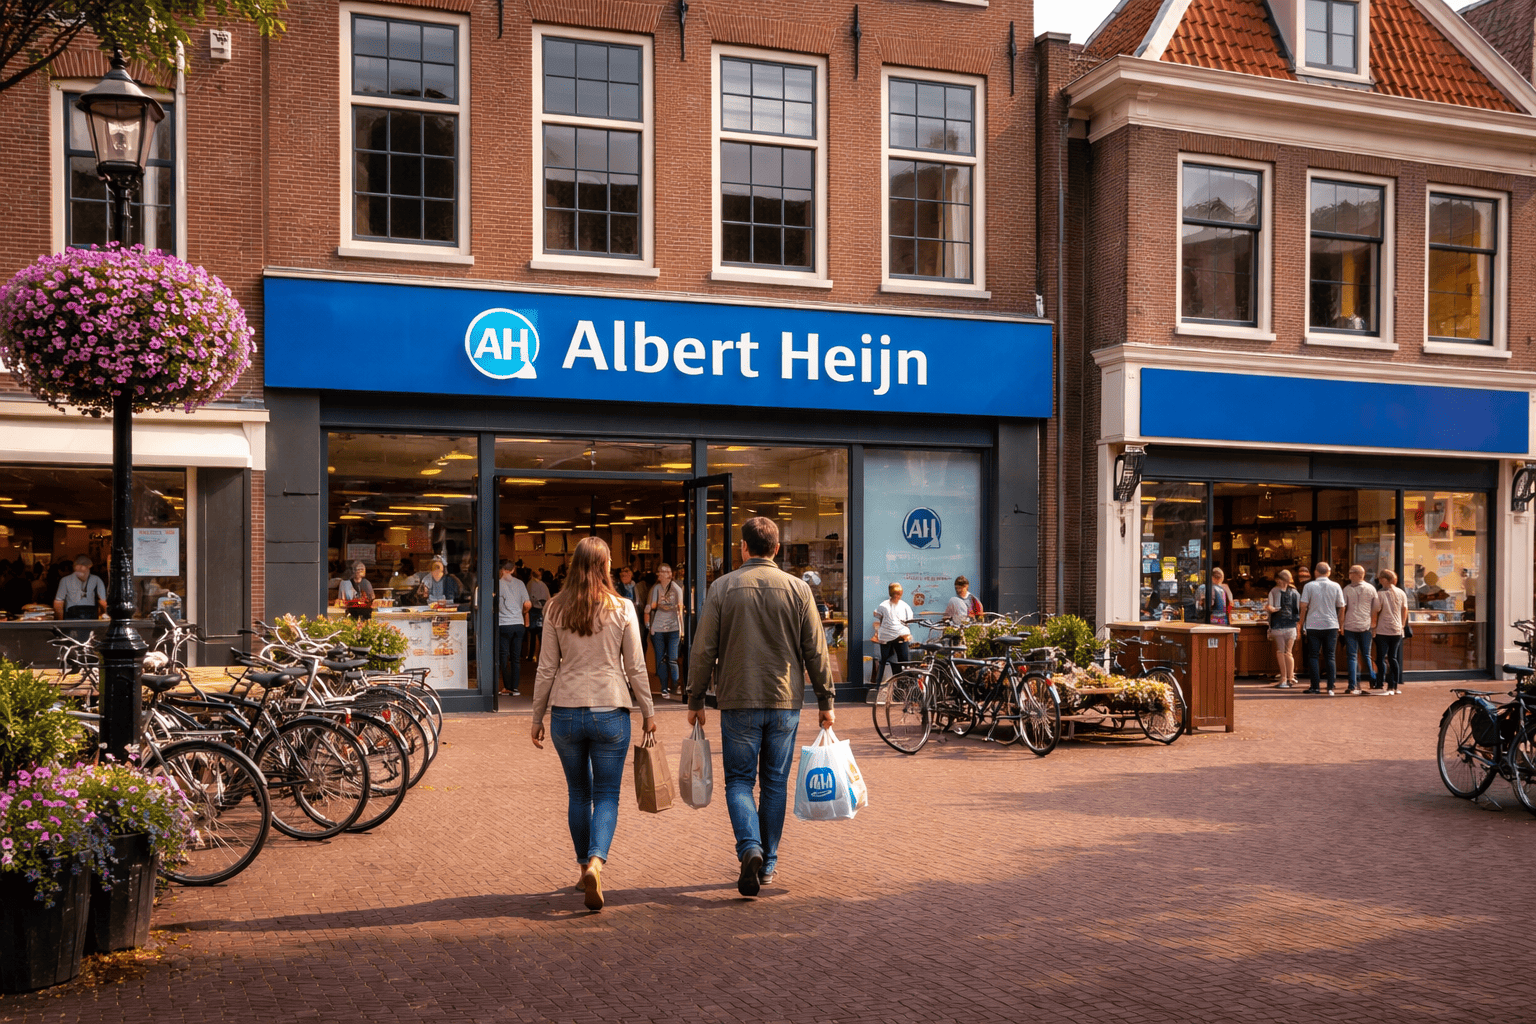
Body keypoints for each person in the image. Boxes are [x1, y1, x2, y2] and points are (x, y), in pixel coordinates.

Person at [687, 517, 834, 898]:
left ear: (743, 548)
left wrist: (696, 698)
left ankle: (749, 847)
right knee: (774, 783)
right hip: (785, 700)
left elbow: (703, 649)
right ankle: (768, 862)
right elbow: (816, 649)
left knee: (739, 781)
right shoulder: (799, 589)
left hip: (739, 697)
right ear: (777, 549)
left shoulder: (722, 587)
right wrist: (826, 700)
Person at [530, 537, 655, 912]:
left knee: (578, 794)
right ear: (605, 566)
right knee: (607, 795)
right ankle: (597, 863)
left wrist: (537, 716)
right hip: (610, 708)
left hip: (566, 710)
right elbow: (635, 666)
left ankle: (584, 866)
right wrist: (648, 711)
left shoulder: (555, 607)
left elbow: (546, 667)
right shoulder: (622, 607)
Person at [1299, 561, 1346, 695]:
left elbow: (1303, 606)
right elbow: (1342, 606)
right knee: (1330, 656)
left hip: (1313, 624)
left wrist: (1301, 623)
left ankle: (1315, 686)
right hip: (1331, 625)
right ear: (1329, 572)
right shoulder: (1336, 586)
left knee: (1313, 656)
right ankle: (1330, 686)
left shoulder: (1309, 586)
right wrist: (1340, 624)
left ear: (1315, 572)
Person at [869, 582, 915, 700]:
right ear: (891, 594)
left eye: (898, 594)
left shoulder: (904, 606)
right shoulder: (884, 605)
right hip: (888, 638)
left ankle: (902, 690)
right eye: (895, 594)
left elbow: (909, 620)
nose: (897, 596)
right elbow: (878, 617)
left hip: (900, 637)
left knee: (903, 663)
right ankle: (885, 689)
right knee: (887, 661)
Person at [644, 563, 684, 697]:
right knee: (660, 658)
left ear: (670, 574)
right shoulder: (655, 589)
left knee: (672, 658)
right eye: (660, 571)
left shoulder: (676, 589)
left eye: (664, 571)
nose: (661, 574)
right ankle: (663, 687)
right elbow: (651, 606)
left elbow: (680, 610)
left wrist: (682, 630)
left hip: (674, 628)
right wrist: (649, 626)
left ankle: (675, 684)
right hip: (658, 628)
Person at [496, 561, 532, 696]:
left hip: (504, 624)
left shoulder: (498, 584)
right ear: (513, 570)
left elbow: (496, 605)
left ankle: (507, 686)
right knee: (516, 658)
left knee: (504, 657)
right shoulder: (520, 583)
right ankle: (515, 688)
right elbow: (527, 604)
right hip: (518, 624)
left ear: (502, 570)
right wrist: (522, 612)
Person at [1340, 564, 1377, 694]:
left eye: (1350, 573)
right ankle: (1373, 680)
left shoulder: (1347, 589)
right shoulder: (1371, 589)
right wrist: (1373, 624)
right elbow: (1375, 608)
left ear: (1356, 574)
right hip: (1366, 626)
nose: (1349, 575)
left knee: (1352, 656)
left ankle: (1352, 685)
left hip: (1350, 626)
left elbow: (1343, 608)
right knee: (1366, 654)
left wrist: (1341, 625)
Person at [1370, 568, 1408, 695]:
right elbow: (1405, 609)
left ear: (1384, 579)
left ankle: (1380, 683)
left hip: (1382, 629)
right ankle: (1393, 685)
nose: (1379, 581)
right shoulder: (1401, 593)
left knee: (1380, 657)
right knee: (1393, 657)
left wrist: (1373, 627)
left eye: (1380, 579)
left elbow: (1375, 611)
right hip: (1397, 630)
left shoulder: (1380, 594)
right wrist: (1402, 625)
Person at [1265, 569, 1301, 688]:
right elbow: (1297, 611)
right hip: (1291, 626)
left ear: (1279, 579)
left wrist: (1269, 608)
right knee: (1288, 653)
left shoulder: (1274, 591)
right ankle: (1291, 677)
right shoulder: (1295, 592)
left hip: (1278, 625)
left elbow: (1270, 607)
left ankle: (1283, 679)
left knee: (1281, 652)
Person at [53, 555, 107, 620]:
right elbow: (103, 603)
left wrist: (61, 622)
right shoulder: (97, 580)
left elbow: (58, 604)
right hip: (90, 620)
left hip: (72, 620)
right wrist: (104, 615)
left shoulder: (65, 580)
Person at [526, 567, 551, 663]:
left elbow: (527, 597)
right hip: (541, 611)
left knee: (532, 634)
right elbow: (548, 598)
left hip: (532, 610)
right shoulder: (543, 585)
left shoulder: (530, 584)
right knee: (541, 635)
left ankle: (530, 655)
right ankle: (542, 656)